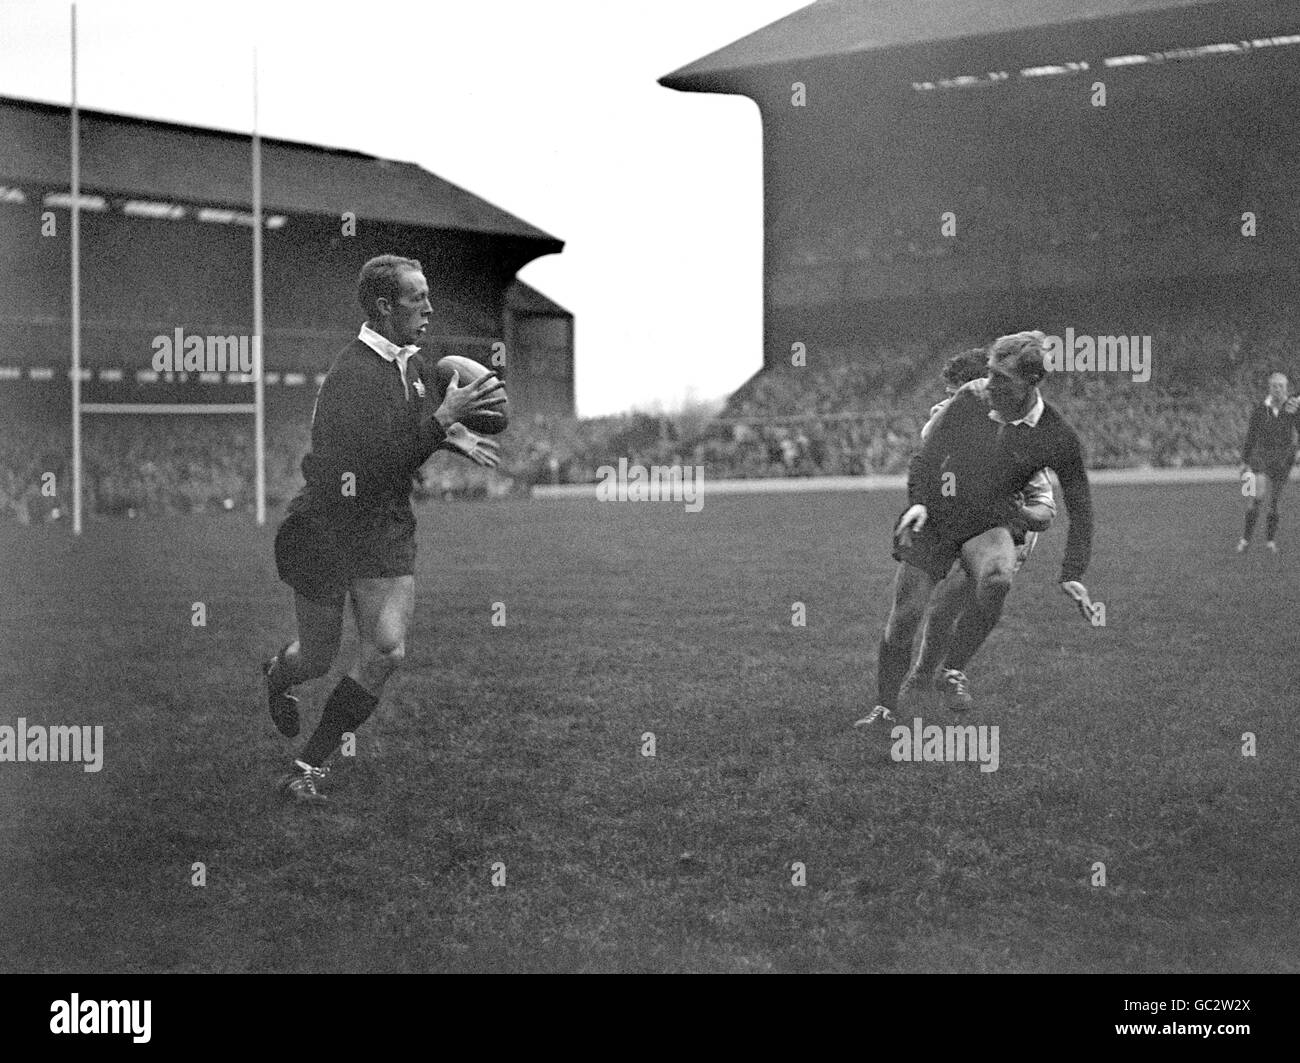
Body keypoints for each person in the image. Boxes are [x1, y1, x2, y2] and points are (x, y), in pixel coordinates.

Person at [262, 254, 504, 804]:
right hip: (326, 527)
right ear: (382, 306)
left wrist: (449, 435)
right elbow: (373, 462)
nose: (429, 307)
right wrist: (443, 421)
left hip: (383, 529)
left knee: (385, 651)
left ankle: (308, 764)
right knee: (316, 660)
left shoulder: (415, 365)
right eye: (417, 298)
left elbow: (408, 432)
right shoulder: (352, 376)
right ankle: (279, 674)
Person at [856, 331, 1095, 730]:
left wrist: (1072, 573)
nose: (991, 385)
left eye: (1003, 378)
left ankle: (952, 668)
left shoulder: (1056, 434)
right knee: (906, 616)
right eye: (990, 373)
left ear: (1032, 382)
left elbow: (1080, 506)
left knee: (998, 577)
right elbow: (928, 457)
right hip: (937, 513)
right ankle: (885, 708)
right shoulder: (971, 398)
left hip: (985, 520)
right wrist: (918, 501)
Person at [901, 348, 1058, 711]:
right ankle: (929, 677)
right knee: (938, 603)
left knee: (951, 603)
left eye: (954, 394)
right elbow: (930, 462)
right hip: (964, 520)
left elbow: (1045, 512)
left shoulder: (1021, 435)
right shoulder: (952, 420)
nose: (946, 403)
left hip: (1006, 531)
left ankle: (944, 673)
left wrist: (1017, 512)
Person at [1237, 371, 1299, 554]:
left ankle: (1270, 541)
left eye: (1281, 386)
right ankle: (1245, 539)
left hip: (1283, 459)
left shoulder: (1294, 409)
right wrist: (1244, 461)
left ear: (1287, 389)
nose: (1278, 389)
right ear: (1269, 388)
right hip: (1261, 457)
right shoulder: (1259, 409)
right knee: (1257, 495)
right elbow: (1251, 436)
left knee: (1275, 502)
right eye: (1274, 385)